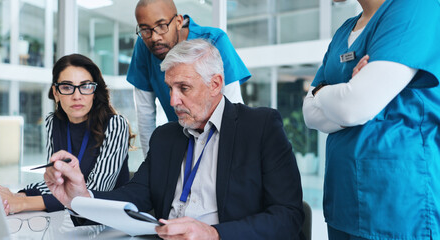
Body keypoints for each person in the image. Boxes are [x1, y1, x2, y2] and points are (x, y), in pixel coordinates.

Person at [44, 39, 304, 240]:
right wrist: (81, 199)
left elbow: (288, 216)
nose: (172, 101)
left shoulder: (260, 127)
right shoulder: (166, 136)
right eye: (170, 88)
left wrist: (214, 233)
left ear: (215, 84)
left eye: (184, 88)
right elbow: (136, 195)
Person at [302, 0, 440, 239]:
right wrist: (346, 95)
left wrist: (323, 93)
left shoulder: (417, 7)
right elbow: (309, 114)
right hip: (343, 201)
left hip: (398, 205)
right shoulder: (344, 31)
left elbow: (353, 106)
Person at [0, 54, 134, 215]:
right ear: (56, 93)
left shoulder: (115, 124)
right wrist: (14, 195)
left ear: (94, 91)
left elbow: (93, 191)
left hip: (108, 220)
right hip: (67, 218)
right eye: (66, 87)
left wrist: (22, 202)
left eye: (85, 86)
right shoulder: (53, 122)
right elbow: (55, 183)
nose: (77, 96)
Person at [128, 0, 251, 156]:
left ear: (179, 22)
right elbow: (145, 115)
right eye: (145, 30)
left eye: (162, 26)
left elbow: (234, 110)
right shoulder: (144, 45)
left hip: (220, 140)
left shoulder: (215, 40)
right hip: (181, 142)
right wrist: (151, 164)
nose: (154, 37)